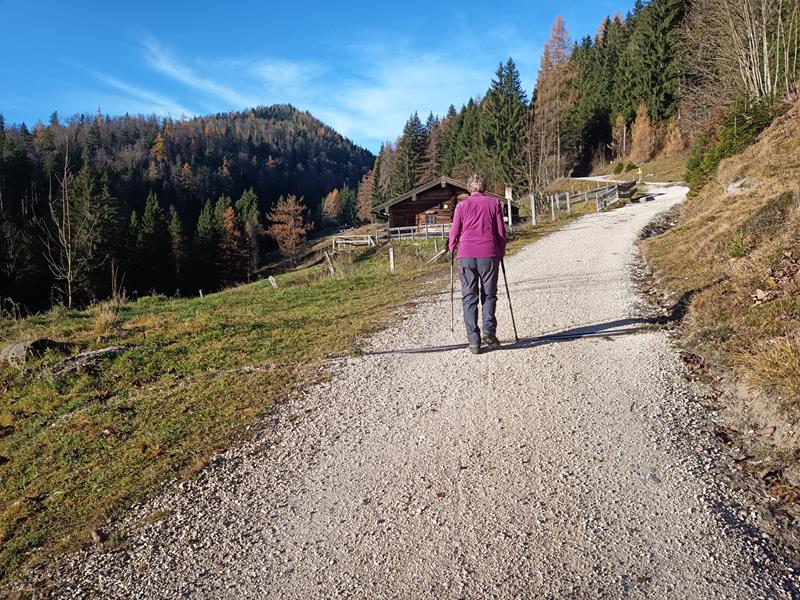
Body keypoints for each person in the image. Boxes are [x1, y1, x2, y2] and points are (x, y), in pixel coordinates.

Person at [446, 172, 507, 354]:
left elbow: (454, 232)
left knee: (469, 296)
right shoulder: (494, 203)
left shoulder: (461, 206)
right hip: (488, 253)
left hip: (466, 255)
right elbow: (501, 234)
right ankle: (489, 330)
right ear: (484, 187)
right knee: (489, 295)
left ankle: (474, 341)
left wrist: (451, 248)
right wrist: (500, 252)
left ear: (469, 188)